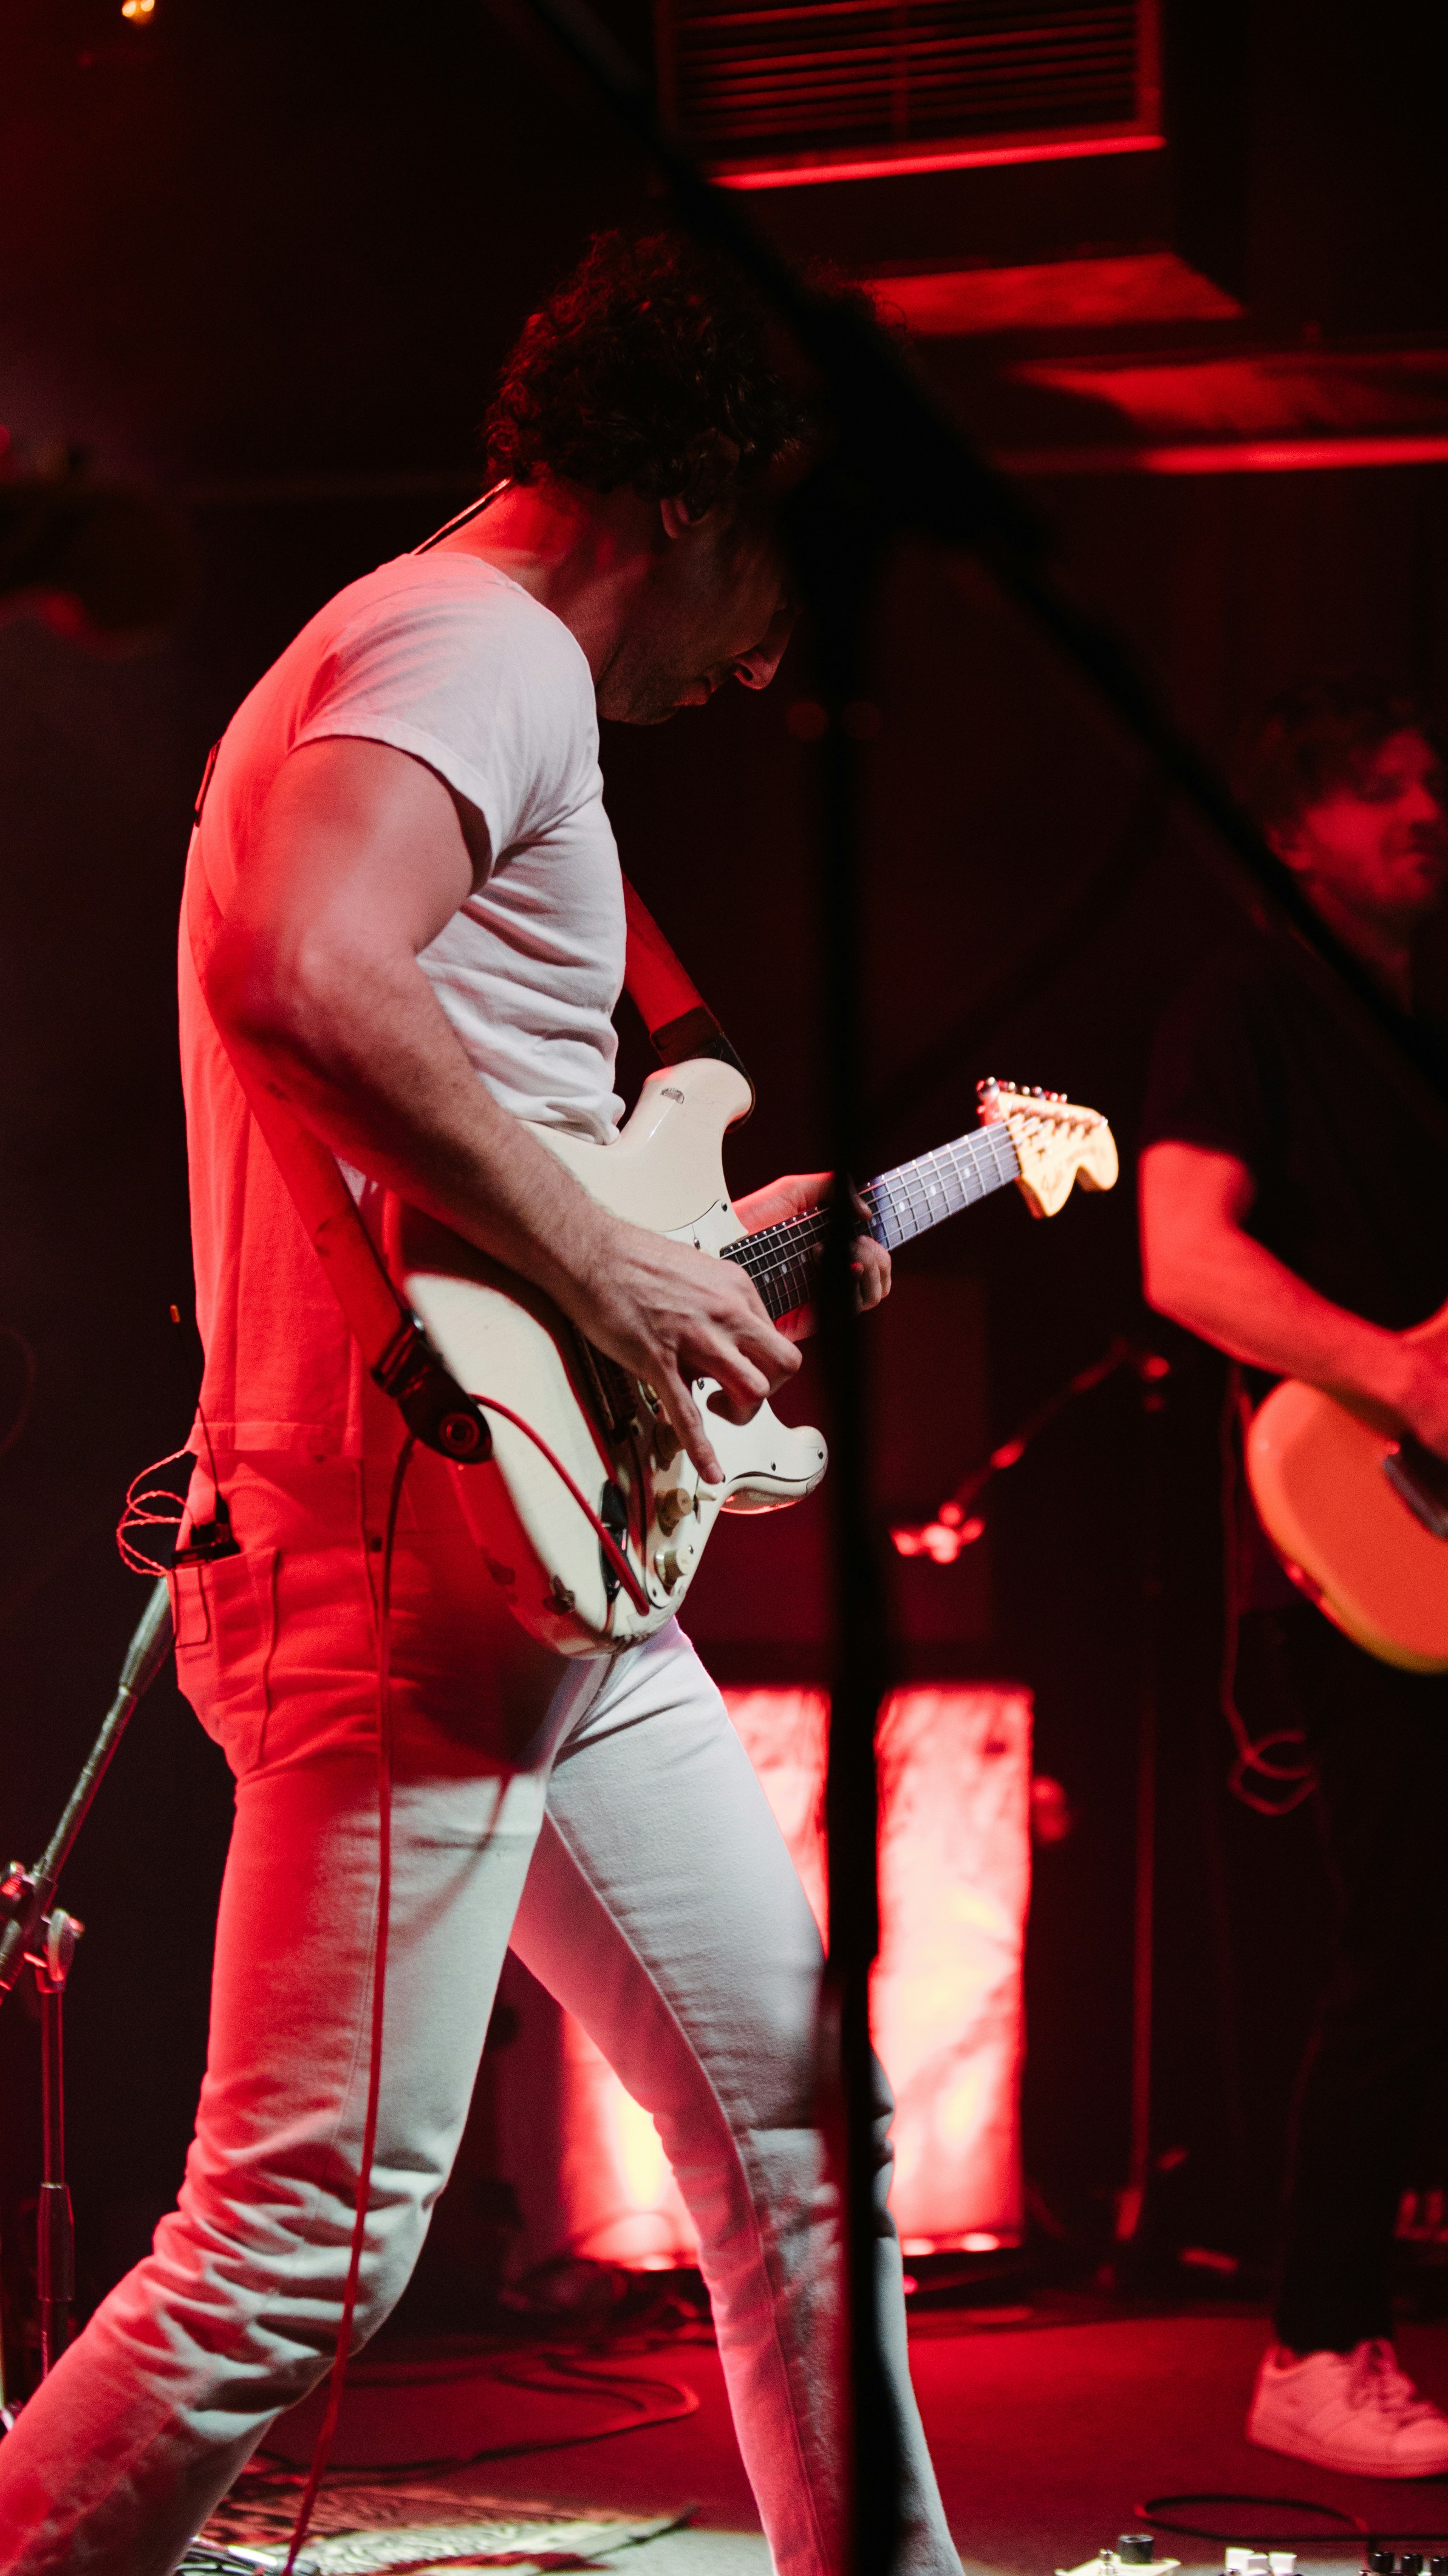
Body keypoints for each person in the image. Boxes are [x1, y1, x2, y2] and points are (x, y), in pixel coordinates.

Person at [0, 229, 962, 2574]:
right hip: (397, 1558)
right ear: (701, 488)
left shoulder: (448, 646)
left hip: (539, 1560)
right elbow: (299, 968)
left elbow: (461, 1102)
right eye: (785, 576)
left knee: (802, 2144)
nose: (773, 652)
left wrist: (662, 1236)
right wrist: (609, 1256)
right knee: (299, 2244)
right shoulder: (476, 646)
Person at [1139, 679, 1448, 2477]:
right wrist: (1399, 1372)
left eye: (1432, 781)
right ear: (1291, 834)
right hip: (1368, 1534)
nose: (1424, 809)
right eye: (1374, 786)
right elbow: (1184, 1259)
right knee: (1404, 1945)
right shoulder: (1247, 1008)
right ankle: (1318, 2343)